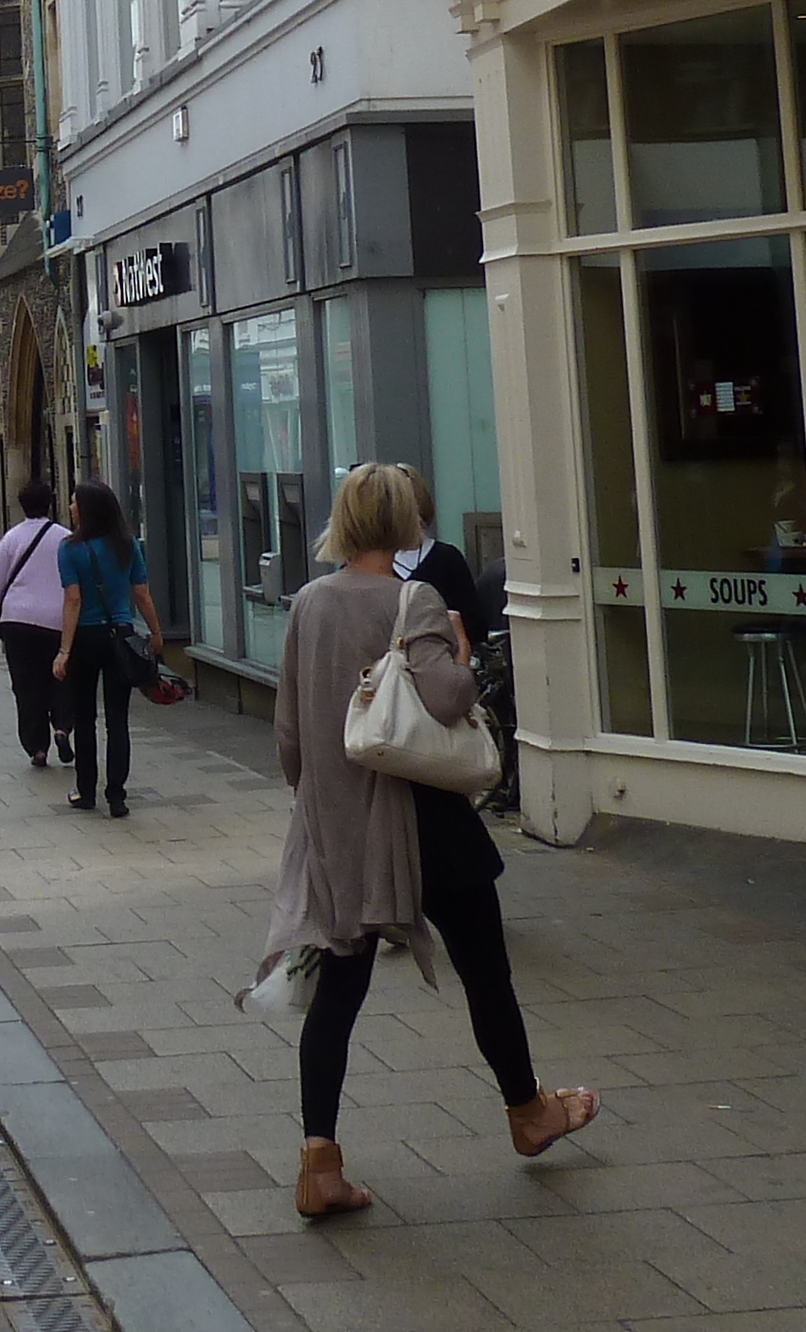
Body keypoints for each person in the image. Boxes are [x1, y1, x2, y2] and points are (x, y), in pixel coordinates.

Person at [270, 463, 597, 1218]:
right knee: (485, 971)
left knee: (339, 992)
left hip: (344, 829)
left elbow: (290, 734)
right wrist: (453, 645)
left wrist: (319, 807)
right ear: (404, 520)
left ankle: (319, 1161)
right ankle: (529, 1112)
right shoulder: (412, 597)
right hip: (427, 823)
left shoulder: (308, 603)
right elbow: (448, 695)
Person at [49, 478, 164, 819]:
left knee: (84, 717)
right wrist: (155, 633)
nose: (70, 508)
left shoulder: (69, 549)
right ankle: (117, 795)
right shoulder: (127, 545)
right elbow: (141, 593)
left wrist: (64, 650)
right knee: (118, 719)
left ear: (86, 510)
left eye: (74, 503)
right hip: (121, 635)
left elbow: (73, 599)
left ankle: (86, 791)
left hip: (86, 636)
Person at [0, 479, 72, 769]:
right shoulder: (64, 538)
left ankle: (36, 747)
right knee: (61, 677)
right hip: (55, 621)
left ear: (22, 506)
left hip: (17, 622)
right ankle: (63, 726)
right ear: (50, 503)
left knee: (26, 685)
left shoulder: (11, 538)